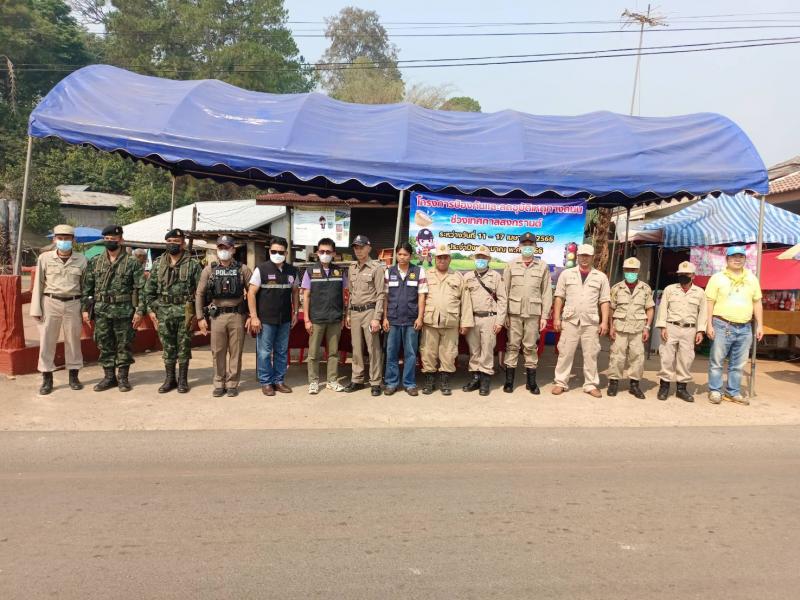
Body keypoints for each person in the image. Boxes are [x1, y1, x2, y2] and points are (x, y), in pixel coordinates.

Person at [81, 225, 146, 393]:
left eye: (114, 239)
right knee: (104, 344)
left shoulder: (132, 262)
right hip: (101, 311)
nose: (110, 241)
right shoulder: (95, 261)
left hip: (124, 311)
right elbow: (87, 288)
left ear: (121, 240)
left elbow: (141, 289)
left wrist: (139, 311)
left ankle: (123, 378)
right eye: (107, 239)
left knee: (124, 344)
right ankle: (109, 377)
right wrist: (85, 309)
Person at [30, 224, 88, 395]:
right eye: (60, 238)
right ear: (54, 239)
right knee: (47, 341)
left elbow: (85, 286)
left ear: (73, 240)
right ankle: (47, 378)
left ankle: (74, 376)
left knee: (73, 340)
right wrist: (36, 309)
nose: (63, 241)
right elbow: (38, 284)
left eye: (67, 238)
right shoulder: (44, 258)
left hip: (73, 303)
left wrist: (85, 309)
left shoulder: (82, 260)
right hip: (50, 302)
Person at [144, 229, 202, 394]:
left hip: (185, 312)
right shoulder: (158, 264)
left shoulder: (192, 264)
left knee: (184, 347)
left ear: (183, 244)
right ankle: (170, 379)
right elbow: (149, 291)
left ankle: (183, 380)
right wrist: (153, 311)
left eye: (176, 242)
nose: (172, 245)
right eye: (169, 242)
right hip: (164, 312)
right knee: (168, 347)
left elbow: (200, 291)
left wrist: (197, 314)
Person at [705, 246, 764, 405]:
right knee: (717, 361)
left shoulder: (752, 278)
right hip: (722, 324)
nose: (737, 259)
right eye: (733, 256)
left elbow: (757, 302)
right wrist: (709, 324)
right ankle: (715, 391)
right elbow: (709, 302)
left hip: (745, 327)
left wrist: (760, 325)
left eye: (740, 256)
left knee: (738, 364)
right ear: (727, 259)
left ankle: (733, 392)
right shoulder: (717, 278)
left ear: (745, 259)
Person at [195, 235, 252, 397]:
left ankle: (232, 383)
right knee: (217, 351)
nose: (223, 250)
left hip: (237, 315)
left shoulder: (243, 269)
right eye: (220, 247)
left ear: (233, 249)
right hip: (217, 316)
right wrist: (200, 317)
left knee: (236, 351)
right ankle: (219, 383)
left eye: (227, 247)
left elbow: (253, 293)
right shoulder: (209, 269)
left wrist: (251, 315)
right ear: (217, 249)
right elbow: (199, 293)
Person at [551, 244, 611, 397]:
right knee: (565, 352)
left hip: (590, 321)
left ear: (592, 257)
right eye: (582, 255)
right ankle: (560, 382)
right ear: (577, 256)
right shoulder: (566, 274)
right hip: (570, 320)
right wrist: (556, 318)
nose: (584, 258)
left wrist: (604, 322)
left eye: (587, 256)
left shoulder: (601, 277)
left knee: (591, 354)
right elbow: (559, 297)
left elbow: (605, 301)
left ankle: (590, 385)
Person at [247, 236, 299, 397]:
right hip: (265, 320)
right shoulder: (261, 269)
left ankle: (279, 381)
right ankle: (266, 382)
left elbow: (295, 292)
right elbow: (251, 293)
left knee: (281, 351)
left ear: (286, 253)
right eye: (274, 251)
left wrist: (296, 312)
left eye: (281, 252)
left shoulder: (292, 271)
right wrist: (254, 317)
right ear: (269, 251)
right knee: (264, 352)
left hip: (285, 319)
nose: (277, 254)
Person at [501, 232, 552, 395]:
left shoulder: (542, 266)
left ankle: (531, 382)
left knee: (530, 347)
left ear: (535, 247)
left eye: (530, 245)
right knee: (512, 346)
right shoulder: (511, 265)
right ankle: (509, 381)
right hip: (514, 313)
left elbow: (546, 293)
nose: (527, 247)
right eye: (525, 245)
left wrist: (544, 316)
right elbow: (504, 292)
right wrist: (505, 315)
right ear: (519, 247)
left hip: (533, 314)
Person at [420, 244, 474, 395]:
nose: (442, 260)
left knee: (448, 353)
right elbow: (420, 298)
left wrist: (465, 323)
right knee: (428, 352)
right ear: (434, 259)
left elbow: (466, 301)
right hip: (429, 321)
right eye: (439, 258)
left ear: (450, 259)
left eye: (445, 257)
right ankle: (430, 381)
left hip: (450, 321)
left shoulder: (458, 277)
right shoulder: (427, 275)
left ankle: (445, 381)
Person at [655, 261, 707, 402]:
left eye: (687, 274)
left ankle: (681, 389)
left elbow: (703, 313)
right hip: (671, 327)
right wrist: (662, 327)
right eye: (681, 274)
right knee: (666, 357)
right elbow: (663, 309)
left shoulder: (700, 293)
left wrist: (700, 331)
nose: (683, 276)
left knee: (686, 359)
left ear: (693, 276)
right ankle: (664, 387)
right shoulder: (670, 289)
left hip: (690, 329)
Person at [302, 237, 347, 395]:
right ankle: (313, 382)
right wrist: (306, 319)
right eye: (322, 251)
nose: (325, 254)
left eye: (328, 252)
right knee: (313, 353)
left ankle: (332, 381)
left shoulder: (340, 271)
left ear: (334, 253)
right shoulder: (310, 271)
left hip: (335, 318)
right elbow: (306, 296)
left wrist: (344, 315)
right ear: (317, 253)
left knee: (333, 353)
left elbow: (344, 295)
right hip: (316, 319)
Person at [382, 242, 428, 396]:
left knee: (411, 353)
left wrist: (420, 317)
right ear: (396, 255)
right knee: (391, 352)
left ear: (411, 256)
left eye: (405, 254)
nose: (402, 257)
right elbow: (385, 297)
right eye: (399, 254)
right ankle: (391, 383)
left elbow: (422, 296)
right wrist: (384, 318)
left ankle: (409, 383)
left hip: (411, 319)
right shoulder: (389, 271)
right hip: (393, 319)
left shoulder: (419, 271)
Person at [607, 257, 655, 399]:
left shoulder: (645, 289)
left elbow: (650, 309)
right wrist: (611, 327)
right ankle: (613, 383)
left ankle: (634, 385)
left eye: (633, 270)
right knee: (617, 356)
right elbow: (611, 308)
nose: (630, 272)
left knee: (637, 357)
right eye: (628, 270)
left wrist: (647, 328)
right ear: (624, 270)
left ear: (638, 270)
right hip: (620, 328)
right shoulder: (616, 288)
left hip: (638, 329)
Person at [463, 245, 507, 396]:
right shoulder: (468, 277)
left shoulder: (496, 277)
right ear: (474, 258)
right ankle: (475, 378)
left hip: (490, 318)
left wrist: (499, 321)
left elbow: (502, 300)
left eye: (483, 257)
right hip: (472, 318)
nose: (480, 259)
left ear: (489, 259)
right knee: (474, 350)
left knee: (487, 350)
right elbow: (463, 300)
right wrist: (464, 321)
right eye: (478, 257)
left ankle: (485, 380)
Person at [345, 235, 386, 396]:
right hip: (355, 312)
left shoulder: (376, 268)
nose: (358, 250)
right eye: (356, 247)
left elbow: (381, 294)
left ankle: (375, 382)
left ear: (369, 248)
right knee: (356, 348)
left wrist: (377, 318)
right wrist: (348, 313)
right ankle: (357, 379)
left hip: (370, 312)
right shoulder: (352, 268)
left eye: (361, 247)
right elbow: (351, 292)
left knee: (373, 348)